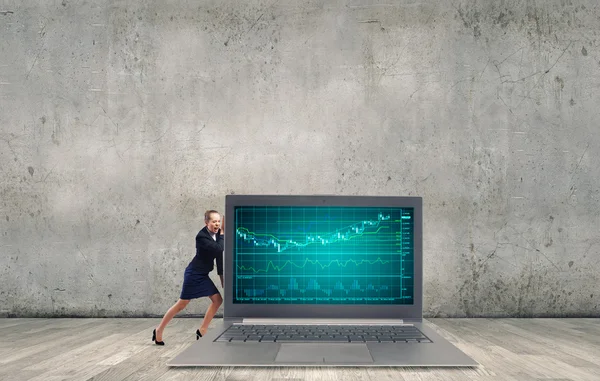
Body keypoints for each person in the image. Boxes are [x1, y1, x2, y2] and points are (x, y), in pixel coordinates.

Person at [152, 210, 224, 345]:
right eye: (214, 221)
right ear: (206, 222)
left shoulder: (218, 236)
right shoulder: (201, 237)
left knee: (218, 300)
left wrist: (222, 278)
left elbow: (219, 259)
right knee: (181, 304)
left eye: (219, 221)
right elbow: (218, 249)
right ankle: (159, 330)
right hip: (193, 274)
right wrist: (223, 235)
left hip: (203, 275)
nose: (217, 224)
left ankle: (202, 330)